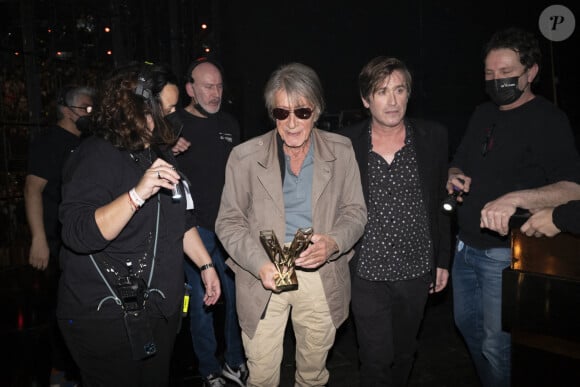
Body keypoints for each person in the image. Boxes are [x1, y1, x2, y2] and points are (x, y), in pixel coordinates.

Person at [56, 62, 221, 386]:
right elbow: (77, 233)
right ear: (138, 107)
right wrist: (135, 195)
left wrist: (205, 266)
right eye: (167, 109)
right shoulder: (95, 155)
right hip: (105, 316)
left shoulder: (158, 154)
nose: (173, 119)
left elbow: (182, 218)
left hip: (157, 311)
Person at [215, 62, 367, 387]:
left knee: (312, 374)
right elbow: (228, 222)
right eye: (282, 113)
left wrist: (334, 243)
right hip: (262, 274)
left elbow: (355, 212)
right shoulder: (243, 157)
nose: (292, 122)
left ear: (317, 109)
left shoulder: (341, 151)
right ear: (272, 113)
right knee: (261, 375)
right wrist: (258, 264)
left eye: (302, 111)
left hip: (319, 272)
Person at [447, 27, 580, 387]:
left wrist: (516, 198)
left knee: (497, 344)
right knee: (469, 330)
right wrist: (455, 174)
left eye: (506, 73)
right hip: (465, 249)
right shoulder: (481, 113)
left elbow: (573, 188)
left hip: (506, 255)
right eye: (490, 74)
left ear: (531, 72)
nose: (497, 81)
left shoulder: (550, 120)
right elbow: (459, 161)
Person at [338, 56, 451, 386]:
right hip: (366, 273)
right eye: (382, 91)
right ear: (365, 99)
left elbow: (440, 200)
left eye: (399, 90)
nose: (392, 100)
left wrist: (442, 259)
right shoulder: (345, 143)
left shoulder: (433, 136)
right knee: (374, 359)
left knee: (404, 353)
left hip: (415, 269)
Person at [172, 57, 247, 387]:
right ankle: (208, 370)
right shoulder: (171, 124)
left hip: (229, 227)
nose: (215, 93)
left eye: (218, 86)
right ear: (190, 89)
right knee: (204, 304)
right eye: (207, 86)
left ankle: (234, 361)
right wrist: (164, 147)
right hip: (193, 229)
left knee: (237, 298)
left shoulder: (230, 124)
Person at [24, 84, 94, 386]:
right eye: (85, 108)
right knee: (61, 308)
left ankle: (80, 367)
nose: (90, 114)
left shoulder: (89, 142)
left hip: (82, 236)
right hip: (56, 237)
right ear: (66, 110)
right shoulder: (50, 142)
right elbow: (32, 189)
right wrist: (39, 238)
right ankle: (60, 371)